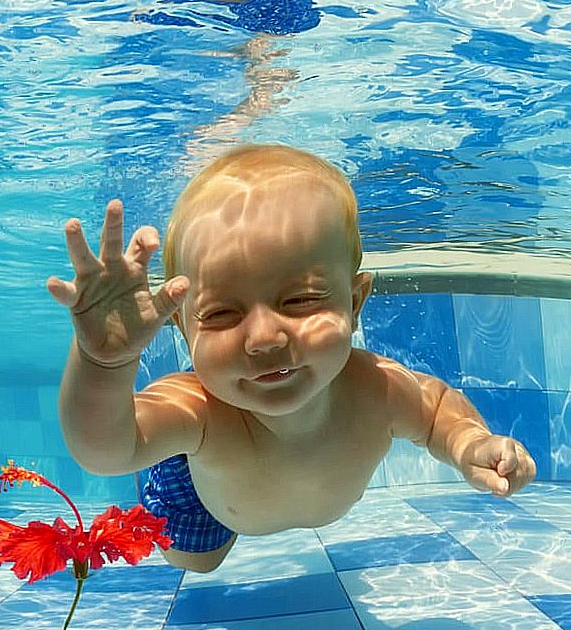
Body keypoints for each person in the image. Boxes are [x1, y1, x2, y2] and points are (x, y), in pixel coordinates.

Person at [49, 144, 536, 573]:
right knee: (199, 561)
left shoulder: (377, 390)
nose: (263, 338)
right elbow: (105, 451)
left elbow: (435, 411)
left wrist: (470, 442)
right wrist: (104, 364)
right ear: (182, 327)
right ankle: (172, 465)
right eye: (220, 313)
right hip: (205, 496)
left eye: (299, 301)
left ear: (355, 302)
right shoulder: (196, 410)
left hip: (253, 490)